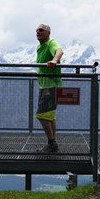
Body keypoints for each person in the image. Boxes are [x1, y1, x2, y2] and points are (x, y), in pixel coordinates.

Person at [35, 23, 64, 152]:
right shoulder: (40, 46)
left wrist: (54, 61)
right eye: (37, 30)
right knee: (50, 116)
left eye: (41, 30)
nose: (38, 32)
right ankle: (52, 143)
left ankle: (52, 143)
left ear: (48, 33)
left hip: (51, 86)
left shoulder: (51, 43)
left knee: (41, 115)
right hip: (45, 85)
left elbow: (59, 51)